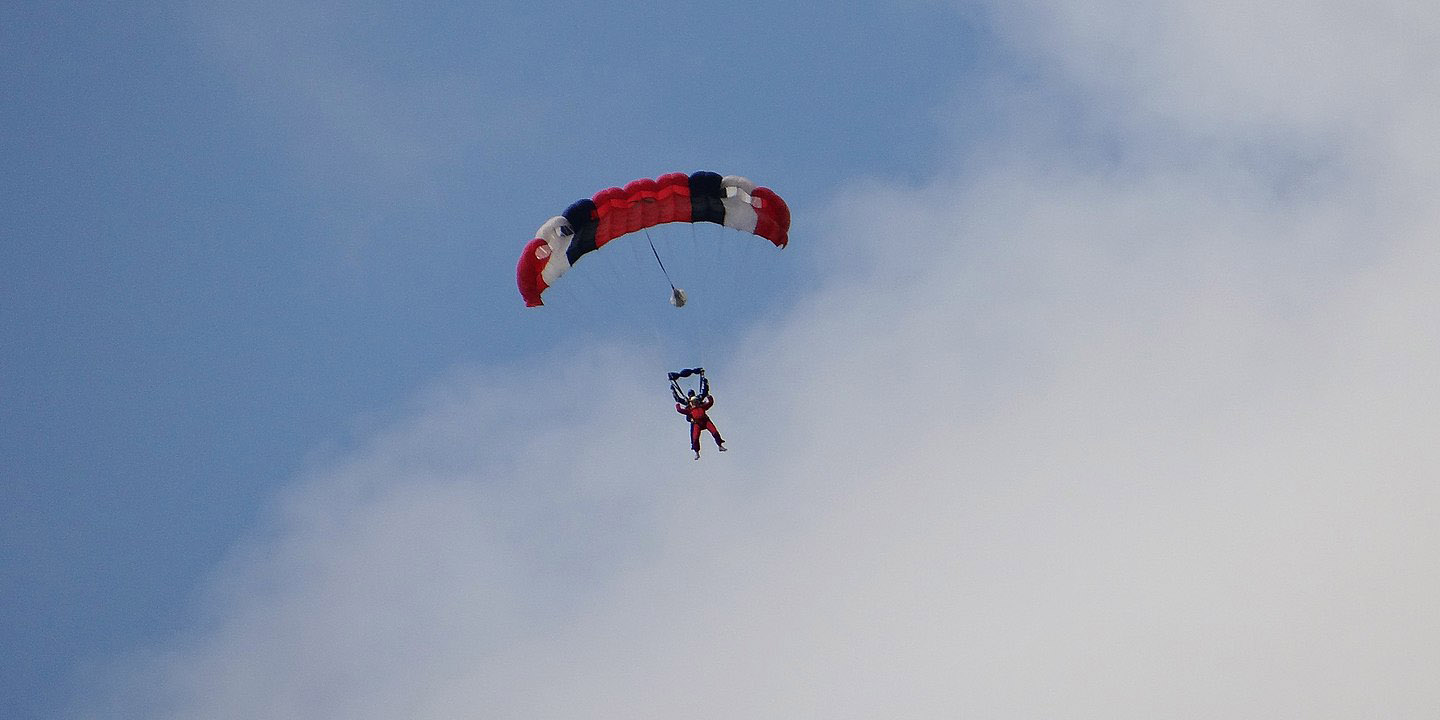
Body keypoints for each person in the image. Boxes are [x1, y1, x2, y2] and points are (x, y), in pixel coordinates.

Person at [672, 371, 725, 459]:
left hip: (705, 421)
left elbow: (709, 402)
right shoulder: (689, 409)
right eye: (694, 402)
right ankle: (696, 452)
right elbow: (679, 409)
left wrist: (707, 392)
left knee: (714, 432)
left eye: (696, 401)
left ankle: (720, 445)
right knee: (695, 438)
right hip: (696, 423)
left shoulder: (701, 406)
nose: (695, 403)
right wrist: (676, 399)